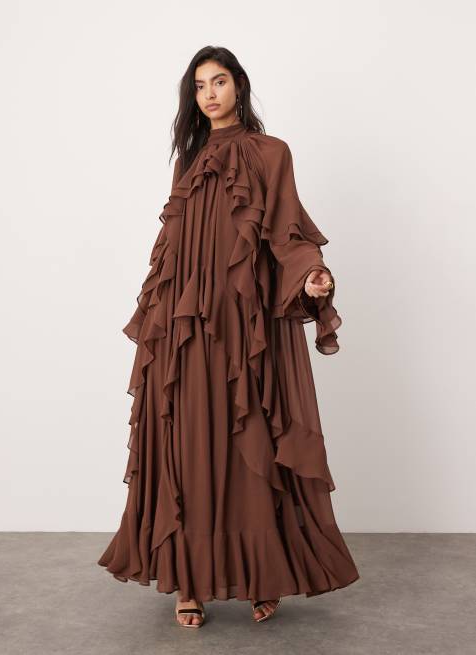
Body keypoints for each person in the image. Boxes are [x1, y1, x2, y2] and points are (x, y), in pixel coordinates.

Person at [97, 45, 360, 628]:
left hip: (248, 325)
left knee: (252, 446)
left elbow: (287, 231)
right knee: (191, 445)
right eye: (199, 86)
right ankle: (189, 583)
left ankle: (262, 574)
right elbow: (176, 247)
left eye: (218, 81)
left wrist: (311, 273)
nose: (209, 94)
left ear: (239, 85)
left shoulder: (272, 153)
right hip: (189, 326)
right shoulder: (188, 160)